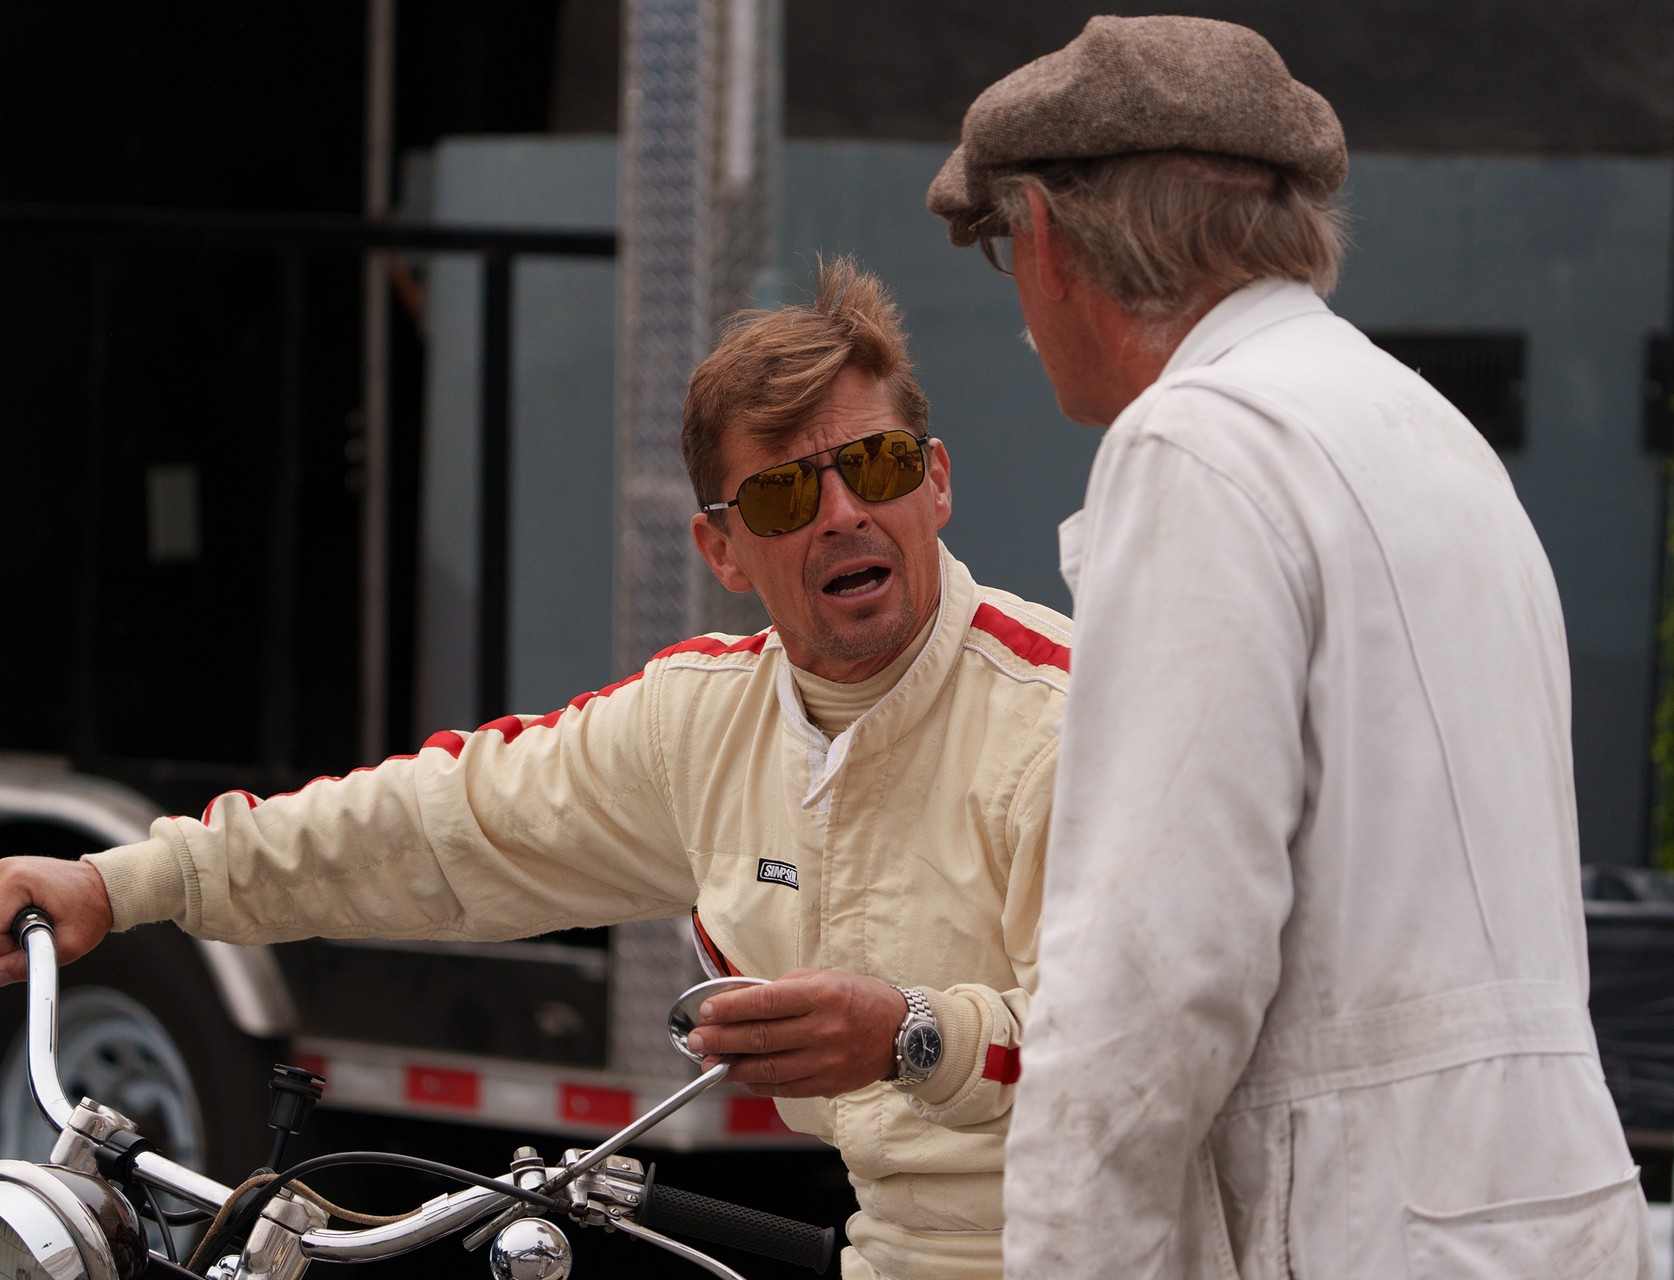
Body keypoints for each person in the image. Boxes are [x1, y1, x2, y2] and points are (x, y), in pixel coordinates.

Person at [0, 257, 1069, 1280]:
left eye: (874, 466)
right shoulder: (704, 716)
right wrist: (118, 883)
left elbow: (1161, 1057)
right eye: (786, 495)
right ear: (724, 552)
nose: (842, 512)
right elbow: (433, 825)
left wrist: (915, 1035)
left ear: (933, 483)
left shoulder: (1068, 719)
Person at [928, 15, 1653, 1278]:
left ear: (1044, 236)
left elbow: (1153, 975)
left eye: (1002, 250)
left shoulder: (1196, 444)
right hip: (1545, 1208)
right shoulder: (1424, 428)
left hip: (1370, 1228)